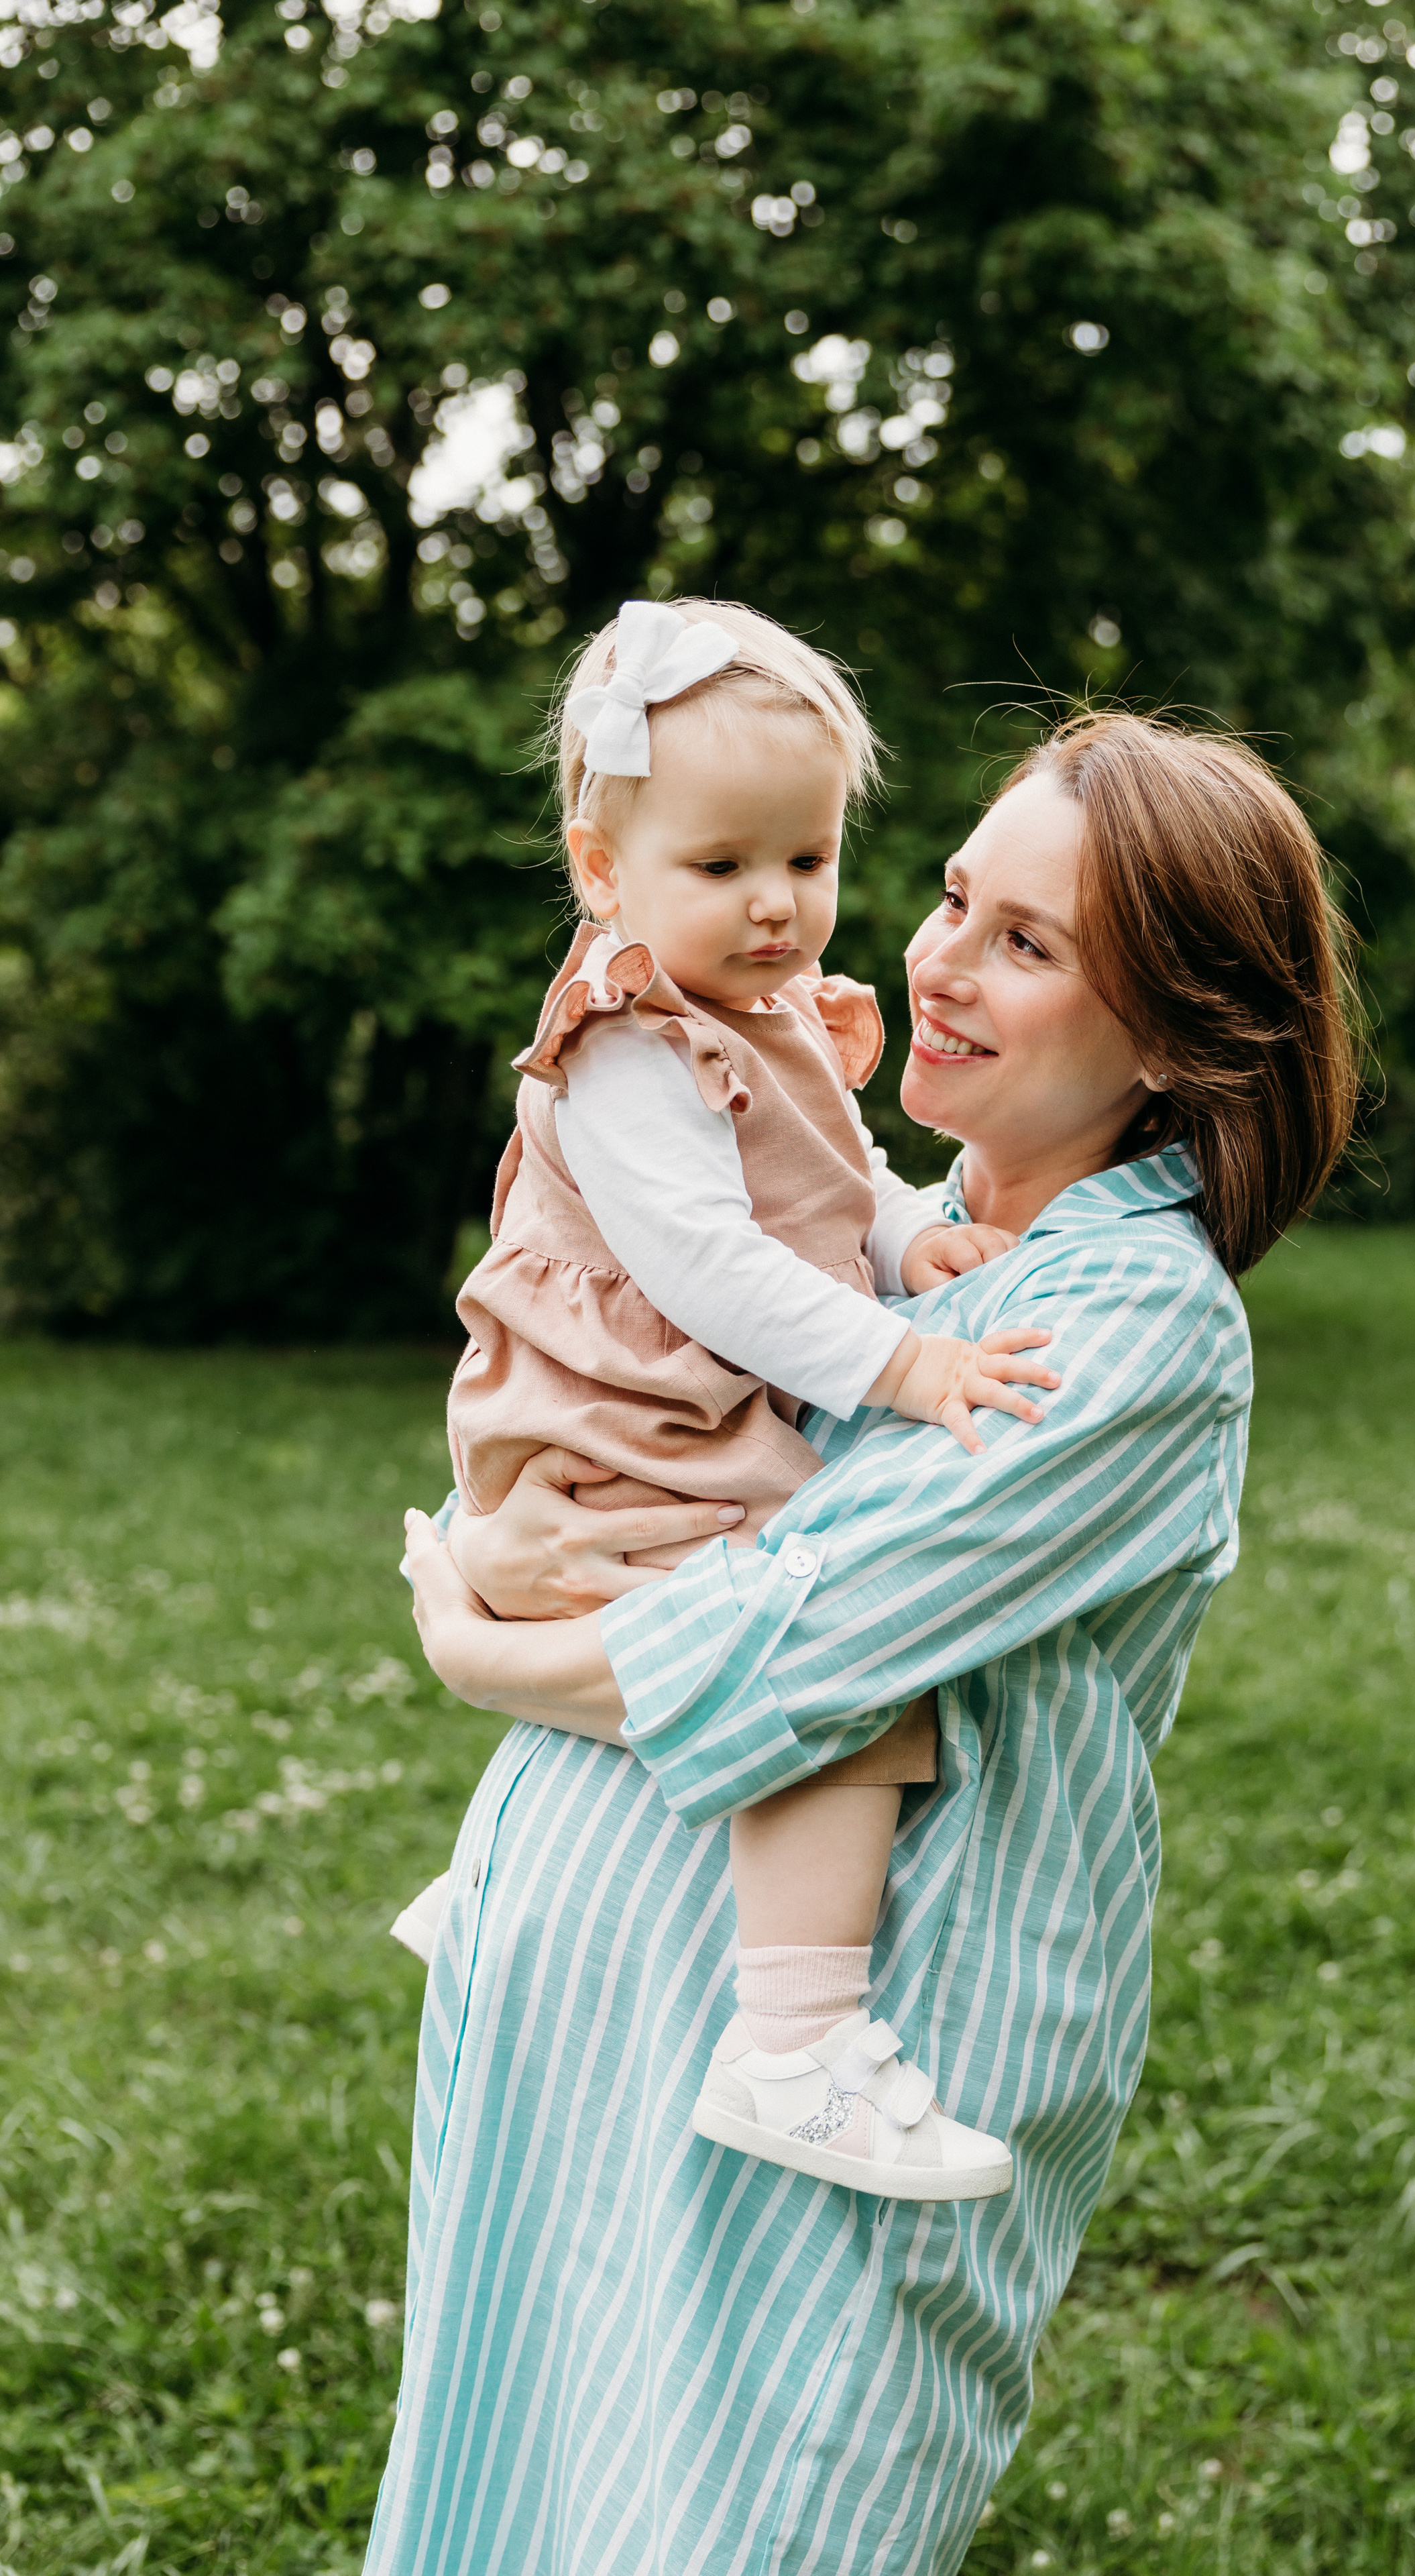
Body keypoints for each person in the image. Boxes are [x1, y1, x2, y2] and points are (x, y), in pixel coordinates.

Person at [366, 708, 1359, 2576]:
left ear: (1183, 1039)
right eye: (960, 898)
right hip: (584, 2015)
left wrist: (486, 1652)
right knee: (503, 2508)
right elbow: (593, 1427)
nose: (938, 961)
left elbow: (797, 1638)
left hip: (831, 2101)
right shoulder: (863, 1240)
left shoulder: (1129, 1326)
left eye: (1031, 944)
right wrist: (512, 1533)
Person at [394, 596, 1057, 2200]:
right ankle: (794, 2041)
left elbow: (829, 1191)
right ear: (604, 868)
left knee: (752, 1629)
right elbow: (706, 1264)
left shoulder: (757, 1012)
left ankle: (515, 1883)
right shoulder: (626, 1039)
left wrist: (914, 1237)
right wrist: (905, 1361)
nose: (777, 906)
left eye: (807, 861)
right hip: (627, 1408)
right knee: (828, 1667)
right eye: (722, 868)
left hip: (678, 1402)